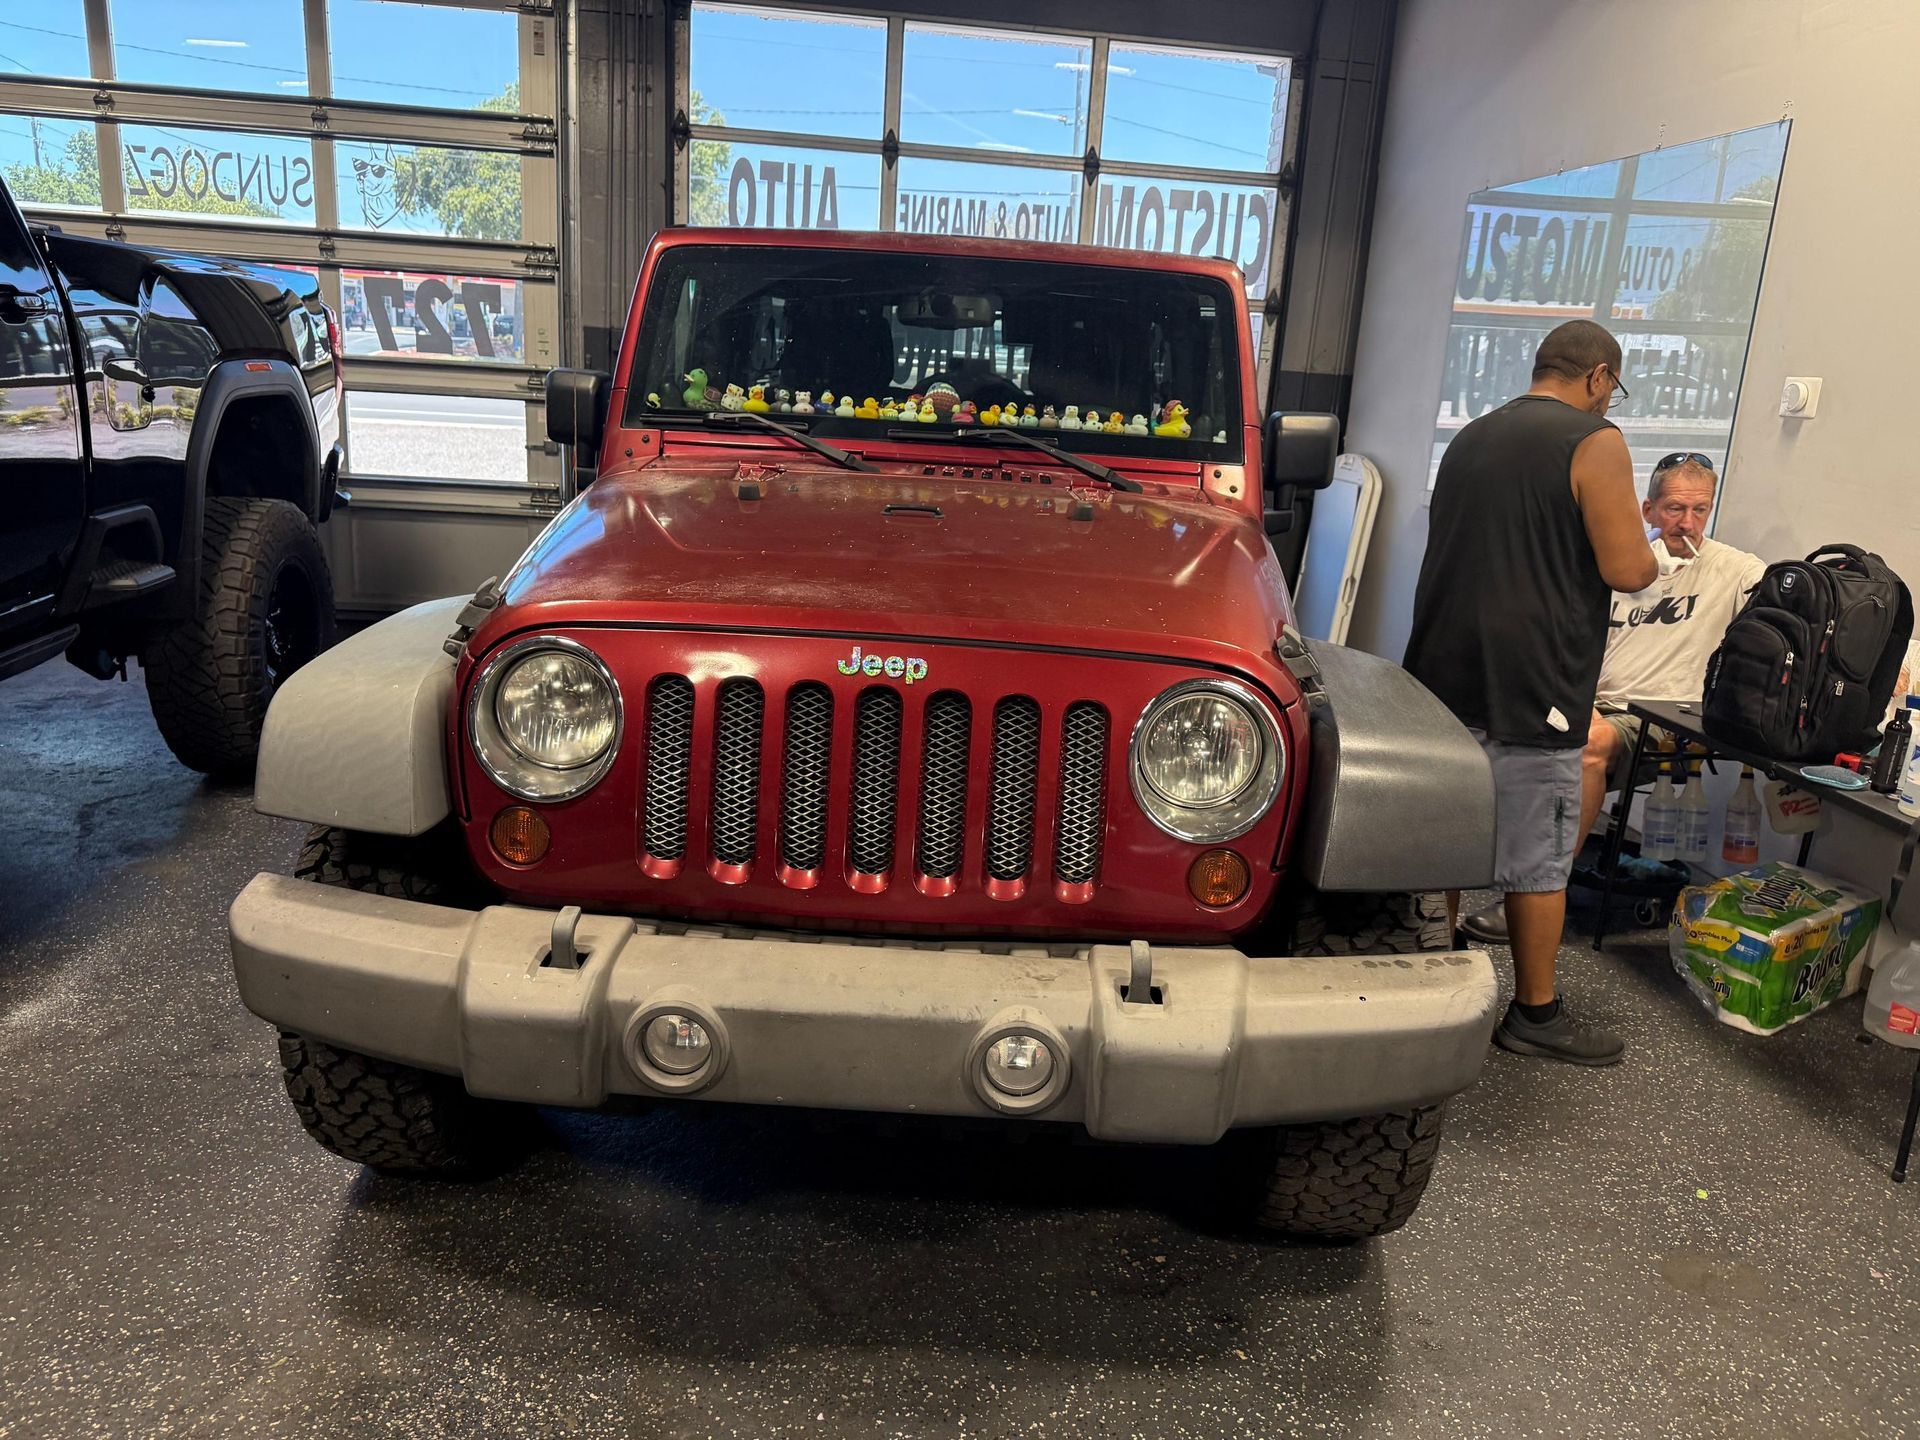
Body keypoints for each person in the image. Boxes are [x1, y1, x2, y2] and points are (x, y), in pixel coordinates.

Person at [1403, 320, 1658, 1065]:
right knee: (1539, 857)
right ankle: (1535, 1014)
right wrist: (1654, 554)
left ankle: (1435, 992)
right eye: (1612, 389)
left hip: (1442, 670)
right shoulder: (1595, 441)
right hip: (1533, 679)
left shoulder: (1472, 436)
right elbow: (1628, 569)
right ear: (1600, 377)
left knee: (1447, 842)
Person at [1461, 452, 1767, 944]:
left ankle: (1541, 895)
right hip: (1589, 702)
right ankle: (1457, 872)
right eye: (1674, 509)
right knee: (1477, 723)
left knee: (1586, 746)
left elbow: (1789, 607)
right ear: (1648, 510)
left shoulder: (1733, 569)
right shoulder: (1621, 566)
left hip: (1665, 717)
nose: (1687, 523)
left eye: (1699, 510)